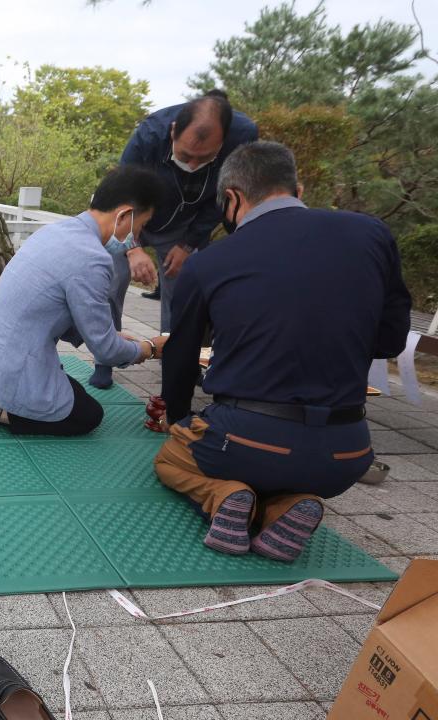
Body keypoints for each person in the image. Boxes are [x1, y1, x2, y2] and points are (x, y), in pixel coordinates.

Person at [154, 141, 411, 562]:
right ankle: (285, 506)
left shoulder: (208, 262)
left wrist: (179, 420)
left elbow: (181, 358)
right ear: (299, 189)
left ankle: (226, 495)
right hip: (346, 456)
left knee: (171, 460)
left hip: (244, 440)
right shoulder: (372, 233)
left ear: (232, 198)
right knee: (283, 469)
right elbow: (390, 342)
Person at [0, 166, 167, 436]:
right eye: (140, 227)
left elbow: (65, 314)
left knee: (75, 391)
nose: (136, 238)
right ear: (125, 216)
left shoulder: (56, 232)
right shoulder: (92, 257)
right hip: (10, 369)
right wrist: (149, 349)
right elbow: (106, 352)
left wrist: (115, 336)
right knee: (89, 415)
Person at [89, 90, 258, 389]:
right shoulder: (148, 135)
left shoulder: (243, 137)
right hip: (132, 220)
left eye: (203, 158)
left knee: (183, 296)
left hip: (184, 225)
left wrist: (189, 244)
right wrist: (133, 247)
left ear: (222, 143)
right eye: (185, 156)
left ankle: (179, 362)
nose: (193, 165)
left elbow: (224, 199)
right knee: (111, 283)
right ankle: (106, 358)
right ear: (172, 132)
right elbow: (121, 194)